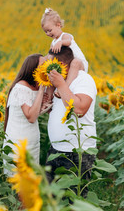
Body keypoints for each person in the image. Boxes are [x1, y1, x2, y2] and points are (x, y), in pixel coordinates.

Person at [46, 46, 97, 197]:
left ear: (61, 66)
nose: (47, 70)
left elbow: (80, 109)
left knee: (74, 199)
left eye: (50, 66)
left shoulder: (83, 79)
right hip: (55, 149)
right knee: (52, 198)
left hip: (76, 152)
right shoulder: (57, 83)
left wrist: (61, 85)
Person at [3, 54, 46, 168]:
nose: (45, 68)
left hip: (32, 142)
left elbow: (36, 111)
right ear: (32, 68)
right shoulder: (21, 88)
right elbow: (31, 117)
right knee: (16, 178)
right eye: (42, 65)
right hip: (18, 142)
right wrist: (42, 90)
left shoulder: (36, 86)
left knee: (31, 180)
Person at [41, 7, 88, 99]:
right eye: (45, 32)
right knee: (51, 71)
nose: (48, 33)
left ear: (58, 25)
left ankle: (65, 87)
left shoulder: (65, 36)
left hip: (79, 65)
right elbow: (50, 55)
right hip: (65, 66)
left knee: (75, 62)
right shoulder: (53, 42)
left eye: (49, 30)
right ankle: (48, 98)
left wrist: (61, 42)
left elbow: (68, 41)